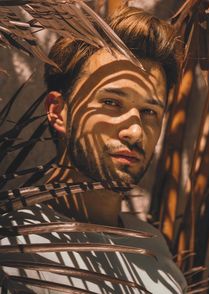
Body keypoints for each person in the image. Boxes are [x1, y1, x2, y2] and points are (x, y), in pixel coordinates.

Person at [0, 6, 187, 294]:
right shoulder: (14, 250)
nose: (135, 132)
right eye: (112, 102)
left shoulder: (154, 248)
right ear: (59, 112)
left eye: (149, 111)